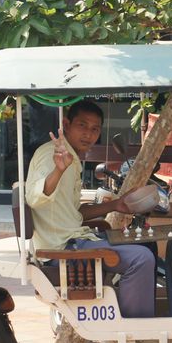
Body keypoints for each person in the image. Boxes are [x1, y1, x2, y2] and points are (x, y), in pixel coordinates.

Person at [25, 100, 156, 318]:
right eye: (82, 125)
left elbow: (73, 212)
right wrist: (58, 171)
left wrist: (116, 205)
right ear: (66, 124)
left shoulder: (70, 157)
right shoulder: (55, 156)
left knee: (148, 245)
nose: (88, 134)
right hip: (63, 250)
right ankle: (135, 333)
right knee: (142, 258)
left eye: (95, 129)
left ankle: (142, 316)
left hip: (74, 239)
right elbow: (35, 198)